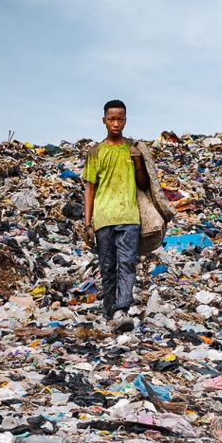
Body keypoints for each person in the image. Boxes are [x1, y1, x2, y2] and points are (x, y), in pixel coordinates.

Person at [82, 99, 151, 332]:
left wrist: (138, 162)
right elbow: (90, 188)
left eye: (120, 118)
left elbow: (142, 184)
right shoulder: (95, 152)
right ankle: (110, 312)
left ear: (126, 120)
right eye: (111, 119)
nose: (116, 123)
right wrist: (87, 222)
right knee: (108, 267)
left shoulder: (133, 149)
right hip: (103, 219)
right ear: (104, 120)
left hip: (129, 217)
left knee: (127, 265)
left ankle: (122, 308)